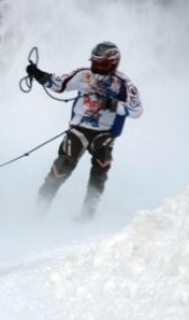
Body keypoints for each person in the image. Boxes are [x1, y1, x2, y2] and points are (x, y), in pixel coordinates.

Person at [26, 41, 143, 219]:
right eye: (94, 62)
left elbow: (137, 110)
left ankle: (88, 214)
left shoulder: (123, 83)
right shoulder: (84, 75)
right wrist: (38, 74)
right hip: (79, 129)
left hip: (105, 132)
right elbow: (59, 85)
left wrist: (112, 104)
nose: (96, 67)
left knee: (101, 165)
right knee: (62, 166)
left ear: (113, 62)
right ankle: (38, 211)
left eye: (101, 64)